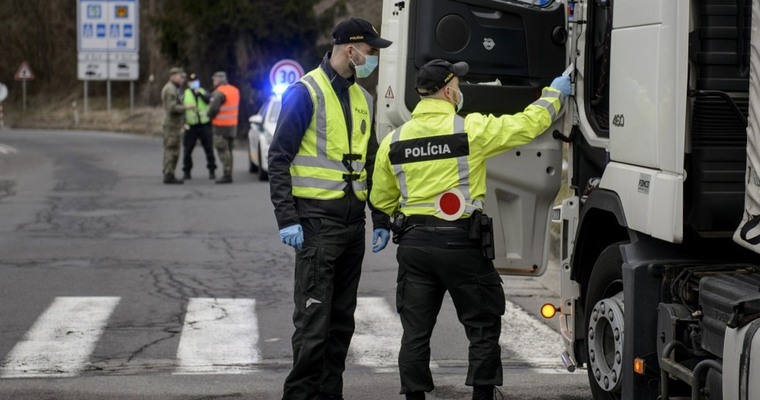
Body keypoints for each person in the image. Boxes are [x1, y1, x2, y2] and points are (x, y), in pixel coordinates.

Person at [368, 59, 571, 400]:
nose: (460, 90)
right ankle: (482, 395)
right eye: (458, 85)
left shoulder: (394, 140)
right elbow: (526, 125)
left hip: (414, 247)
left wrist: (381, 224)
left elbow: (381, 196)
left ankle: (415, 397)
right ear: (448, 90)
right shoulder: (470, 129)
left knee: (415, 331)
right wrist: (554, 94)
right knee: (482, 325)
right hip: (460, 242)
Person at [267, 17, 393, 400]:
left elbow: (370, 163)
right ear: (349, 49)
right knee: (313, 324)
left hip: (352, 227)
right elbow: (279, 158)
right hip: (316, 224)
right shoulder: (306, 92)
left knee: (340, 325)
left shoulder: (363, 98)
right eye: (370, 51)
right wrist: (287, 219)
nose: (372, 59)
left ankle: (329, 395)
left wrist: (380, 217)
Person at [161, 67, 193, 184]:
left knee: (173, 149)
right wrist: (186, 107)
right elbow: (171, 107)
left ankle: (168, 172)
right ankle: (169, 174)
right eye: (180, 77)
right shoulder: (170, 90)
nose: (182, 80)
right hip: (171, 125)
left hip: (174, 124)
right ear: (173, 76)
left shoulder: (174, 88)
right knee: (172, 149)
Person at [181, 73, 217, 180]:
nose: (194, 84)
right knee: (187, 150)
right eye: (192, 82)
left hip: (204, 125)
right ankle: (186, 171)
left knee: (209, 149)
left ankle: (212, 170)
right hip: (191, 126)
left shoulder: (203, 92)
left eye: (196, 81)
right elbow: (181, 109)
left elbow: (210, 101)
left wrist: (199, 95)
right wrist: (183, 124)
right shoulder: (185, 94)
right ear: (188, 83)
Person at [207, 71, 240, 184]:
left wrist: (208, 116)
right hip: (232, 127)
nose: (213, 81)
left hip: (220, 127)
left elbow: (212, 110)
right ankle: (229, 172)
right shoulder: (234, 90)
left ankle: (227, 174)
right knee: (229, 151)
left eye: (214, 79)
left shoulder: (218, 93)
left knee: (222, 150)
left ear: (219, 80)